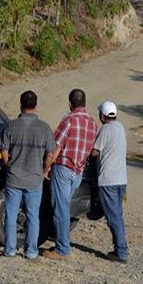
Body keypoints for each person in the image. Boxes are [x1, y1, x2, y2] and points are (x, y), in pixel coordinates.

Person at [42, 88, 97, 260]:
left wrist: (45, 168)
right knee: (64, 207)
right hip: (78, 172)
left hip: (64, 168)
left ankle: (62, 249)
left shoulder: (69, 120)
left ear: (70, 104)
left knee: (61, 208)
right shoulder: (92, 123)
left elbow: (55, 147)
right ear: (85, 103)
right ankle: (61, 242)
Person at [0, 91, 56, 259]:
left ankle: (10, 249)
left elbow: (3, 150)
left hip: (14, 178)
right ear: (36, 105)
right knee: (33, 216)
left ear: (20, 105)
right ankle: (31, 250)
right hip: (34, 179)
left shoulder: (11, 126)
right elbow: (51, 154)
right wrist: (45, 170)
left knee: (11, 214)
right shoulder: (45, 128)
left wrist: (8, 164)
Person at [91, 101, 128, 263]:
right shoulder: (120, 128)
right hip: (121, 179)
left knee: (113, 217)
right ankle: (119, 248)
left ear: (102, 115)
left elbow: (94, 152)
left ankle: (121, 251)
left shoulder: (105, 130)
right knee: (117, 214)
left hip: (108, 180)